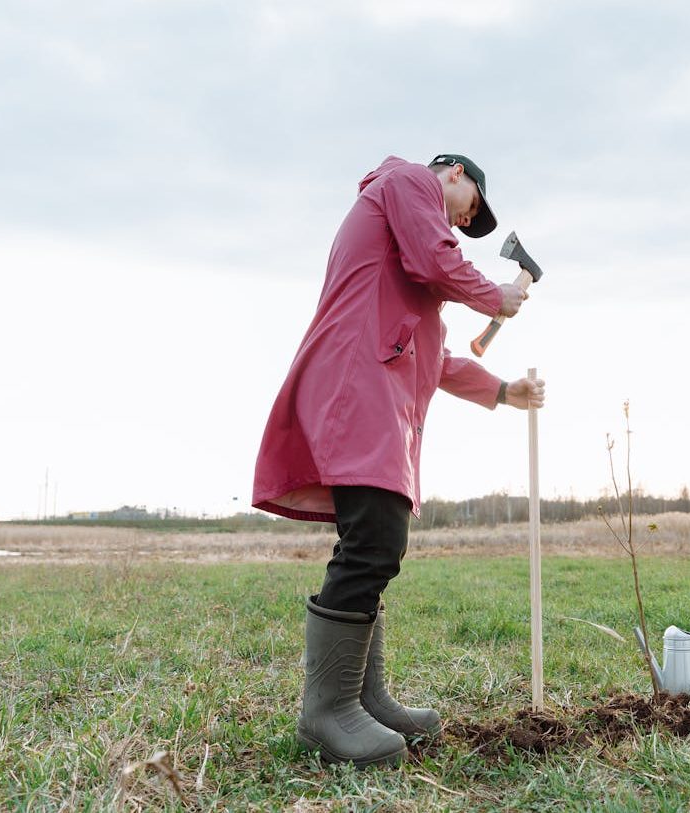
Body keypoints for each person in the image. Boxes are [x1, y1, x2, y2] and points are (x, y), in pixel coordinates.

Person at [252, 153, 544, 768]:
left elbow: (431, 358)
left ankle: (363, 698)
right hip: (358, 387)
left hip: (378, 396)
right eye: (470, 212)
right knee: (375, 542)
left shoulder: (409, 267)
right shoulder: (408, 182)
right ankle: (326, 715)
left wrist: (501, 390)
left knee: (372, 539)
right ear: (455, 174)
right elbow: (438, 257)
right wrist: (499, 296)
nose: (464, 225)